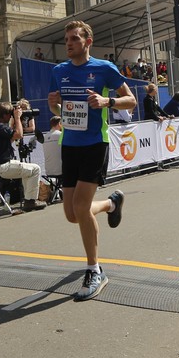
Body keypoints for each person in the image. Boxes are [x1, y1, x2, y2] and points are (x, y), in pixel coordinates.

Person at [47, 20, 132, 301]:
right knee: (72, 214)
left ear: (88, 42)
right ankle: (111, 204)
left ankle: (95, 270)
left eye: (74, 38)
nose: (69, 43)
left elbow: (131, 100)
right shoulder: (59, 71)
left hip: (95, 144)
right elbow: (58, 109)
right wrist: (54, 104)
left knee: (82, 207)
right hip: (69, 145)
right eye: (66, 39)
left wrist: (108, 102)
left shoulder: (104, 69)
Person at [0, 101, 48, 212]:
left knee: (28, 171)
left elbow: (12, 138)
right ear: (4, 115)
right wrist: (17, 118)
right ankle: (30, 201)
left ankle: (28, 199)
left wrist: (16, 120)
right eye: (10, 114)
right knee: (36, 169)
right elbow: (19, 135)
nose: (10, 117)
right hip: (2, 165)